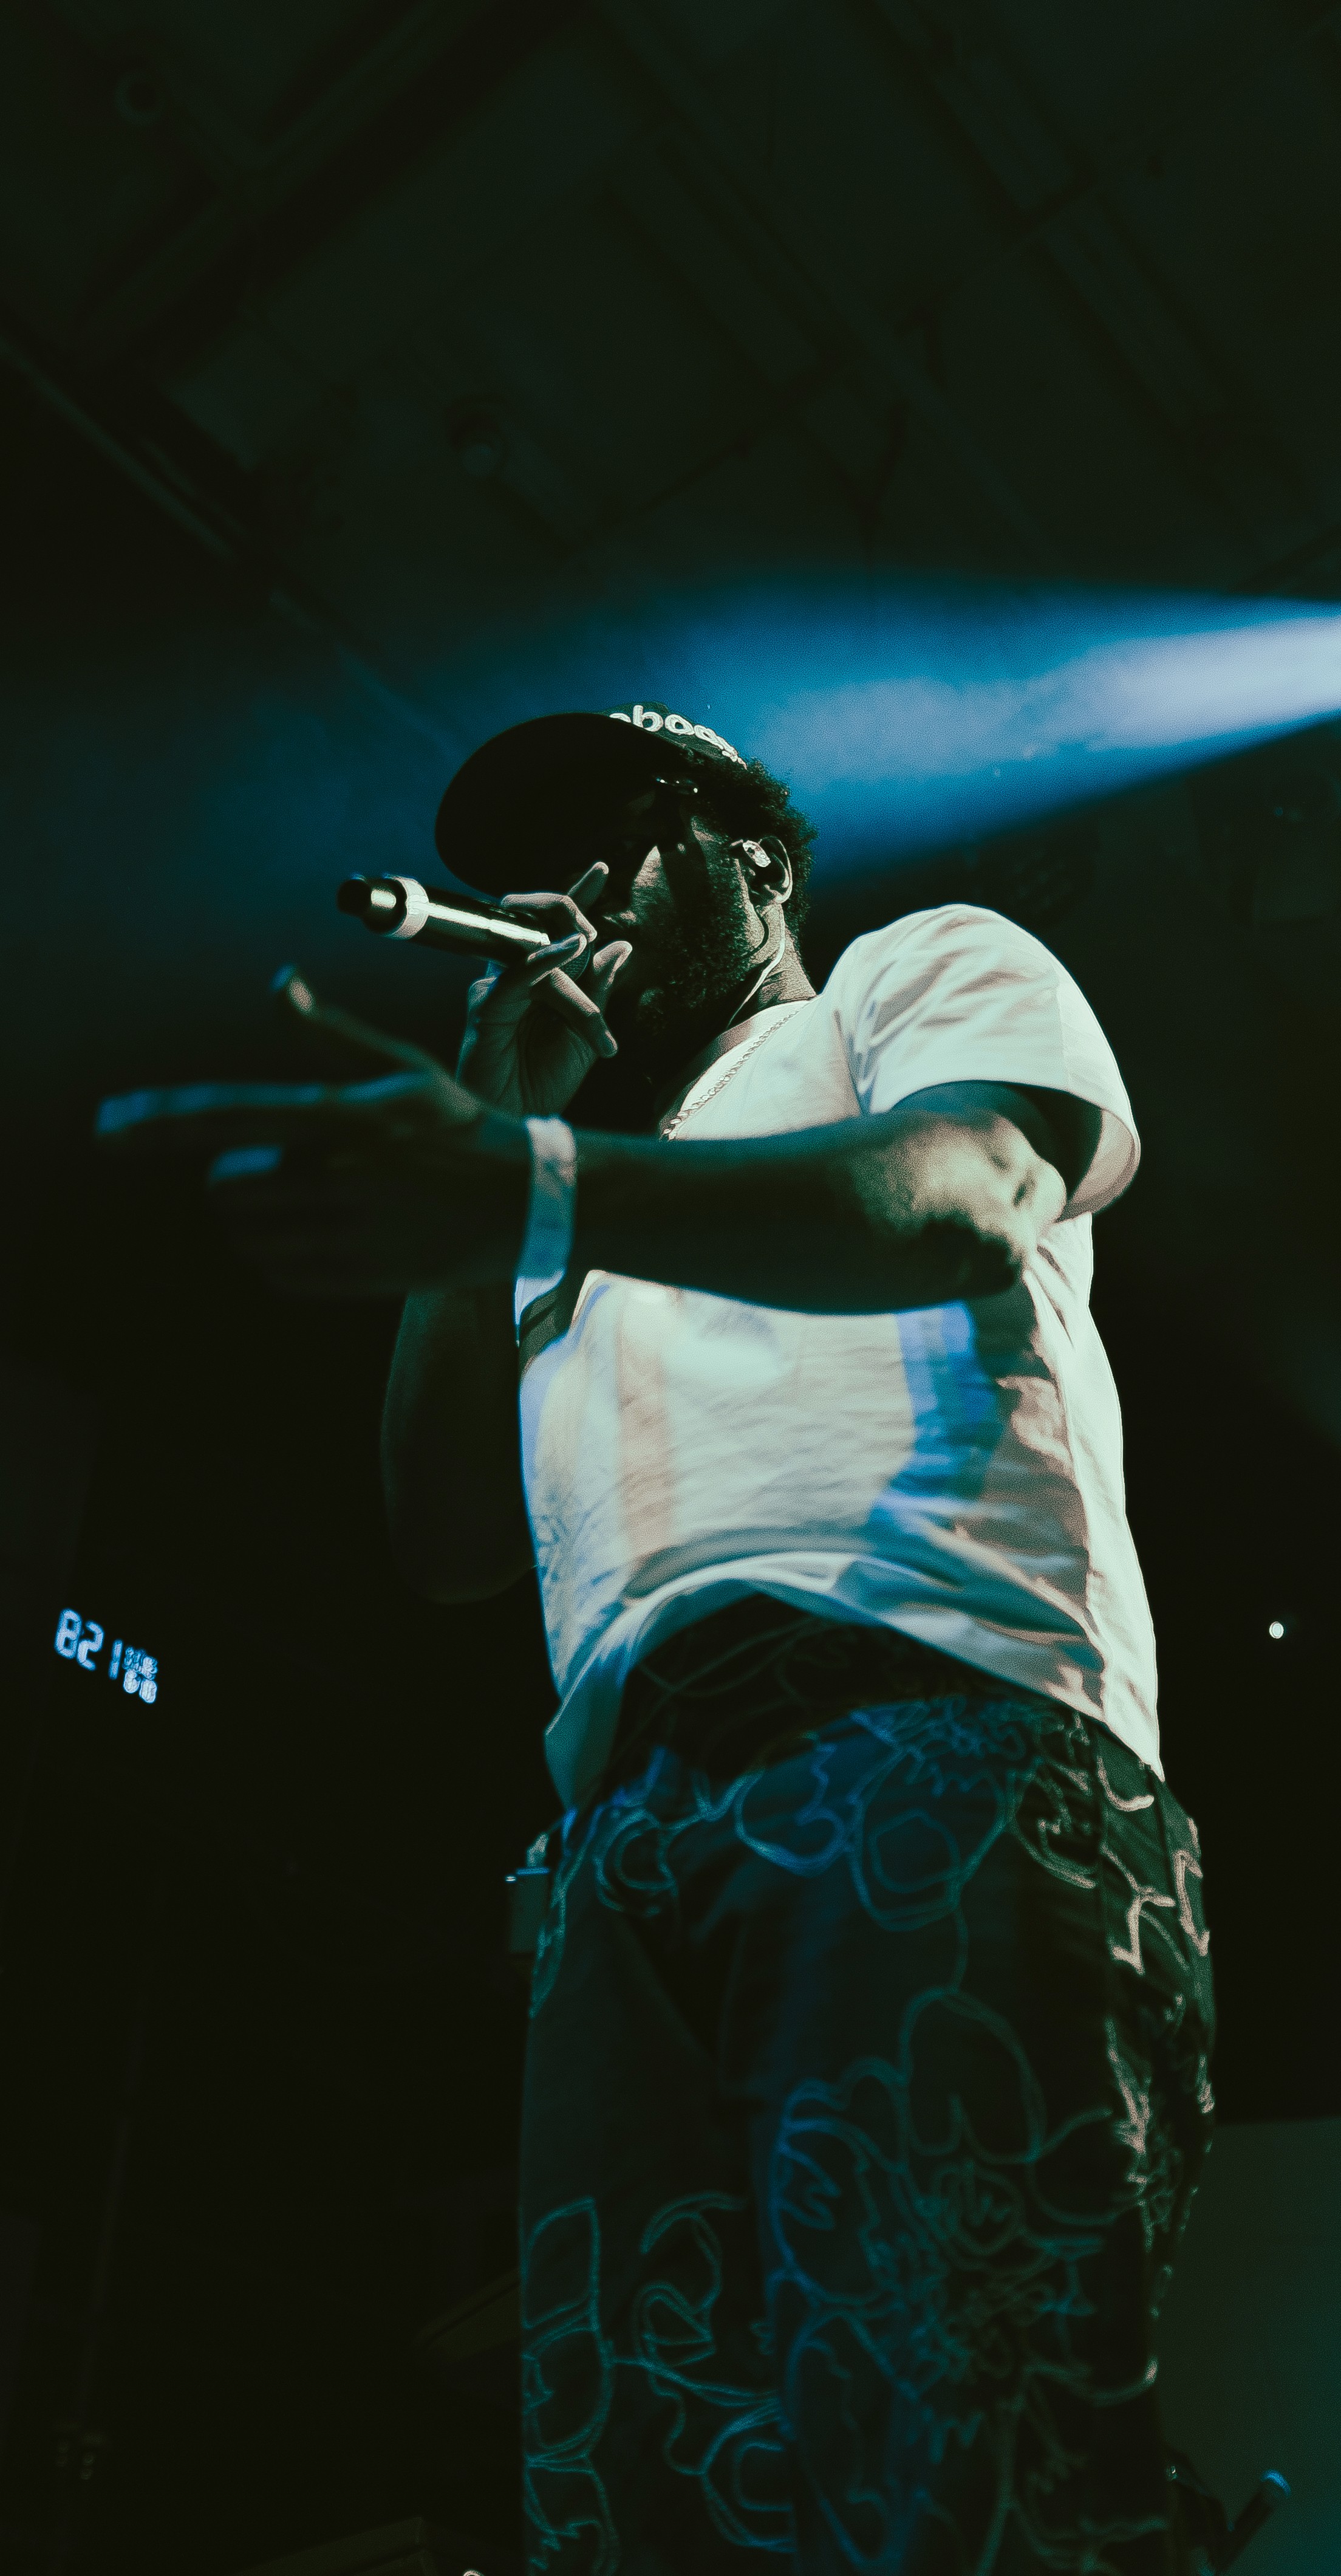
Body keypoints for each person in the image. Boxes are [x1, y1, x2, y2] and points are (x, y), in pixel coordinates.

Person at [106, 699, 1213, 2575]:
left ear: (750, 857)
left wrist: (539, 1178)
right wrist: (504, 1143)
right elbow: (446, 1532)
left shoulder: (909, 976)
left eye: (618, 839)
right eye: (539, 870)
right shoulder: (572, 1193)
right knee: (650, 2487)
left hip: (934, 1728)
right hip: (629, 1826)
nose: (575, 888)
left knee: (964, 2457)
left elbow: (963, 1199)